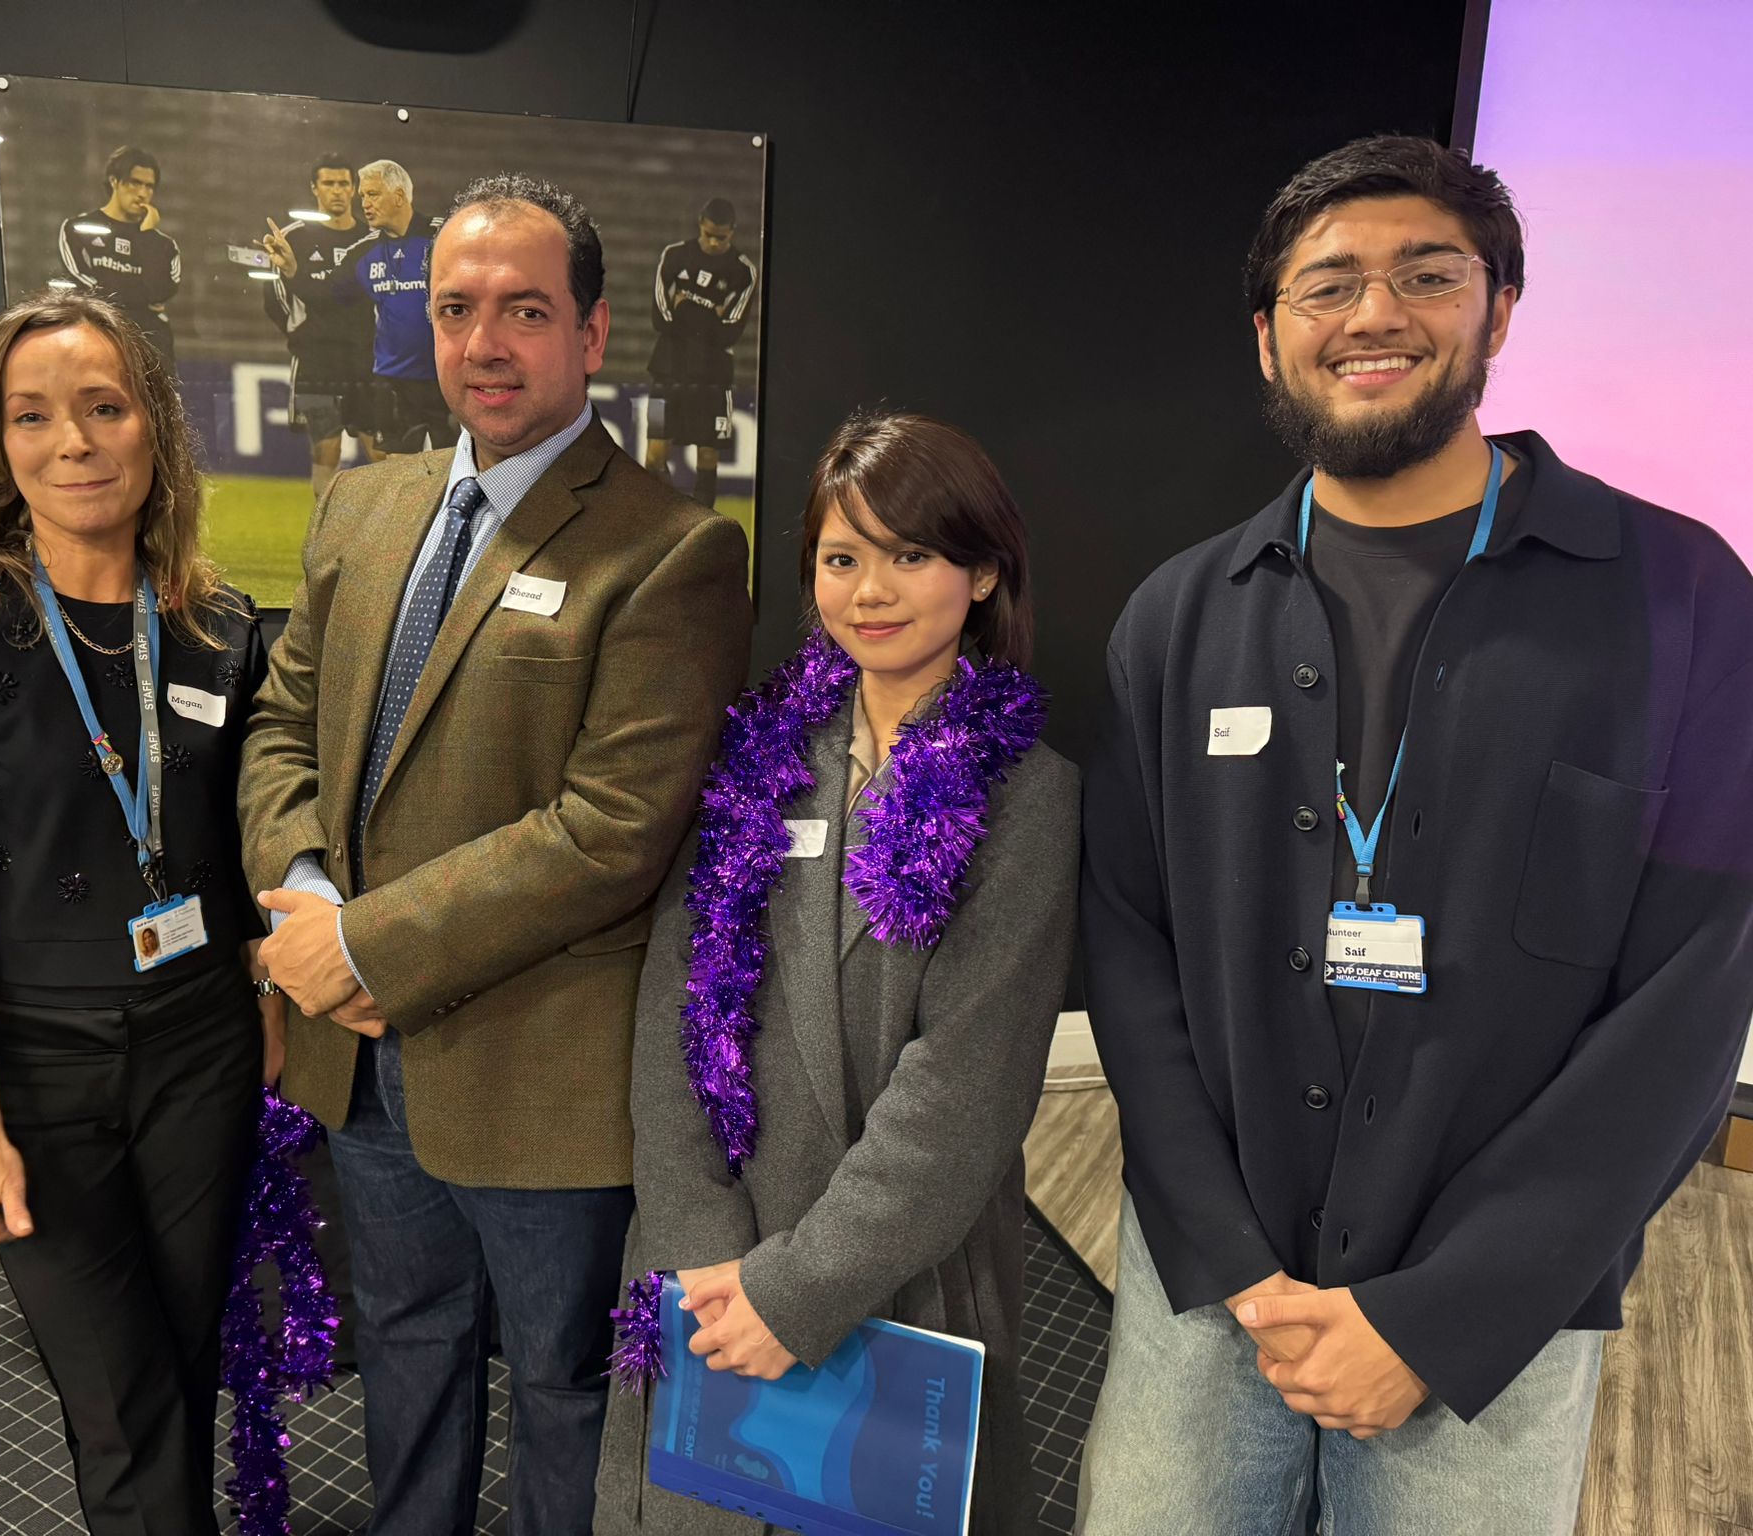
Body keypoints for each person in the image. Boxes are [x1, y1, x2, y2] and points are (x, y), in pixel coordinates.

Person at [1077, 135, 1753, 1535]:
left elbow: (1696, 993)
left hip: (1495, 1310)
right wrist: (1227, 1256)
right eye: (1329, 286)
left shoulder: (1679, 599)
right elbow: (1130, 957)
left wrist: (1446, 1313)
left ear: (1499, 308)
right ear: (1270, 340)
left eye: (1425, 275)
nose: (1374, 313)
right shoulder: (1179, 617)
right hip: (1216, 1286)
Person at [240, 173, 752, 1535]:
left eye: (525, 310)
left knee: (560, 1384)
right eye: (457, 309)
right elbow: (285, 720)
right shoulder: (360, 506)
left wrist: (362, 947)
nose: (484, 343)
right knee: (403, 1347)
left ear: (591, 335)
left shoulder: (674, 549)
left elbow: (609, 831)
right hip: (364, 1058)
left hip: (541, 1075)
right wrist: (300, 894)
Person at [594, 411, 1080, 1536]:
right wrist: (698, 1249)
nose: (871, 589)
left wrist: (795, 1288)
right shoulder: (754, 751)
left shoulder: (1027, 794)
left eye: (910, 555)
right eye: (841, 557)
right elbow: (673, 1011)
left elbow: (963, 1091)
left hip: (893, 1273)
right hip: (711, 1265)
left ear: (980, 570)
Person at [0, 291, 281, 1533]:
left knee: (185, 1362)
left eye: (104, 408)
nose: (74, 442)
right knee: (120, 1394)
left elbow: (252, 852)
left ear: (153, 427)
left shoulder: (221, 633)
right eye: (33, 416)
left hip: (201, 1054)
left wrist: (270, 1016)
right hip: (39, 1070)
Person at [259, 153, 376, 504]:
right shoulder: (293, 237)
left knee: (380, 451)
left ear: (354, 189)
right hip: (317, 363)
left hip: (368, 361)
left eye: (344, 183)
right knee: (326, 450)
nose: (337, 191)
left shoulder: (373, 237)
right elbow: (275, 298)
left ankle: (386, 535)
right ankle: (328, 539)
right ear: (315, 188)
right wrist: (306, 334)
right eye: (329, 183)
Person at [317, 158, 453, 458]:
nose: (364, 203)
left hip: (445, 379)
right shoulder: (363, 252)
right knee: (396, 472)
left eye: (373, 194)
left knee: (454, 468)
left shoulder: (445, 237)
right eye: (363, 195)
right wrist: (291, 272)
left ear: (399, 196)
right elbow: (325, 298)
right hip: (393, 383)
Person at [645, 197, 758, 508]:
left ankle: (703, 534)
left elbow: (729, 332)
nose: (712, 241)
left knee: (708, 455)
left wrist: (686, 307)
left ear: (732, 232)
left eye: (720, 237)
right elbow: (660, 318)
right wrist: (710, 312)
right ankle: (658, 528)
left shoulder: (743, 272)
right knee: (653, 455)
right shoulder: (674, 255)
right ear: (700, 226)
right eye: (708, 233)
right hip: (665, 370)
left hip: (713, 376)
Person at [57, 144, 184, 373]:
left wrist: (146, 236)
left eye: (149, 186)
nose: (143, 193)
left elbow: (159, 292)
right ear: (115, 181)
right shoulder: (77, 229)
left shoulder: (164, 246)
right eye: (135, 183)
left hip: (152, 356)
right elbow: (85, 288)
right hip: (96, 344)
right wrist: (139, 299)